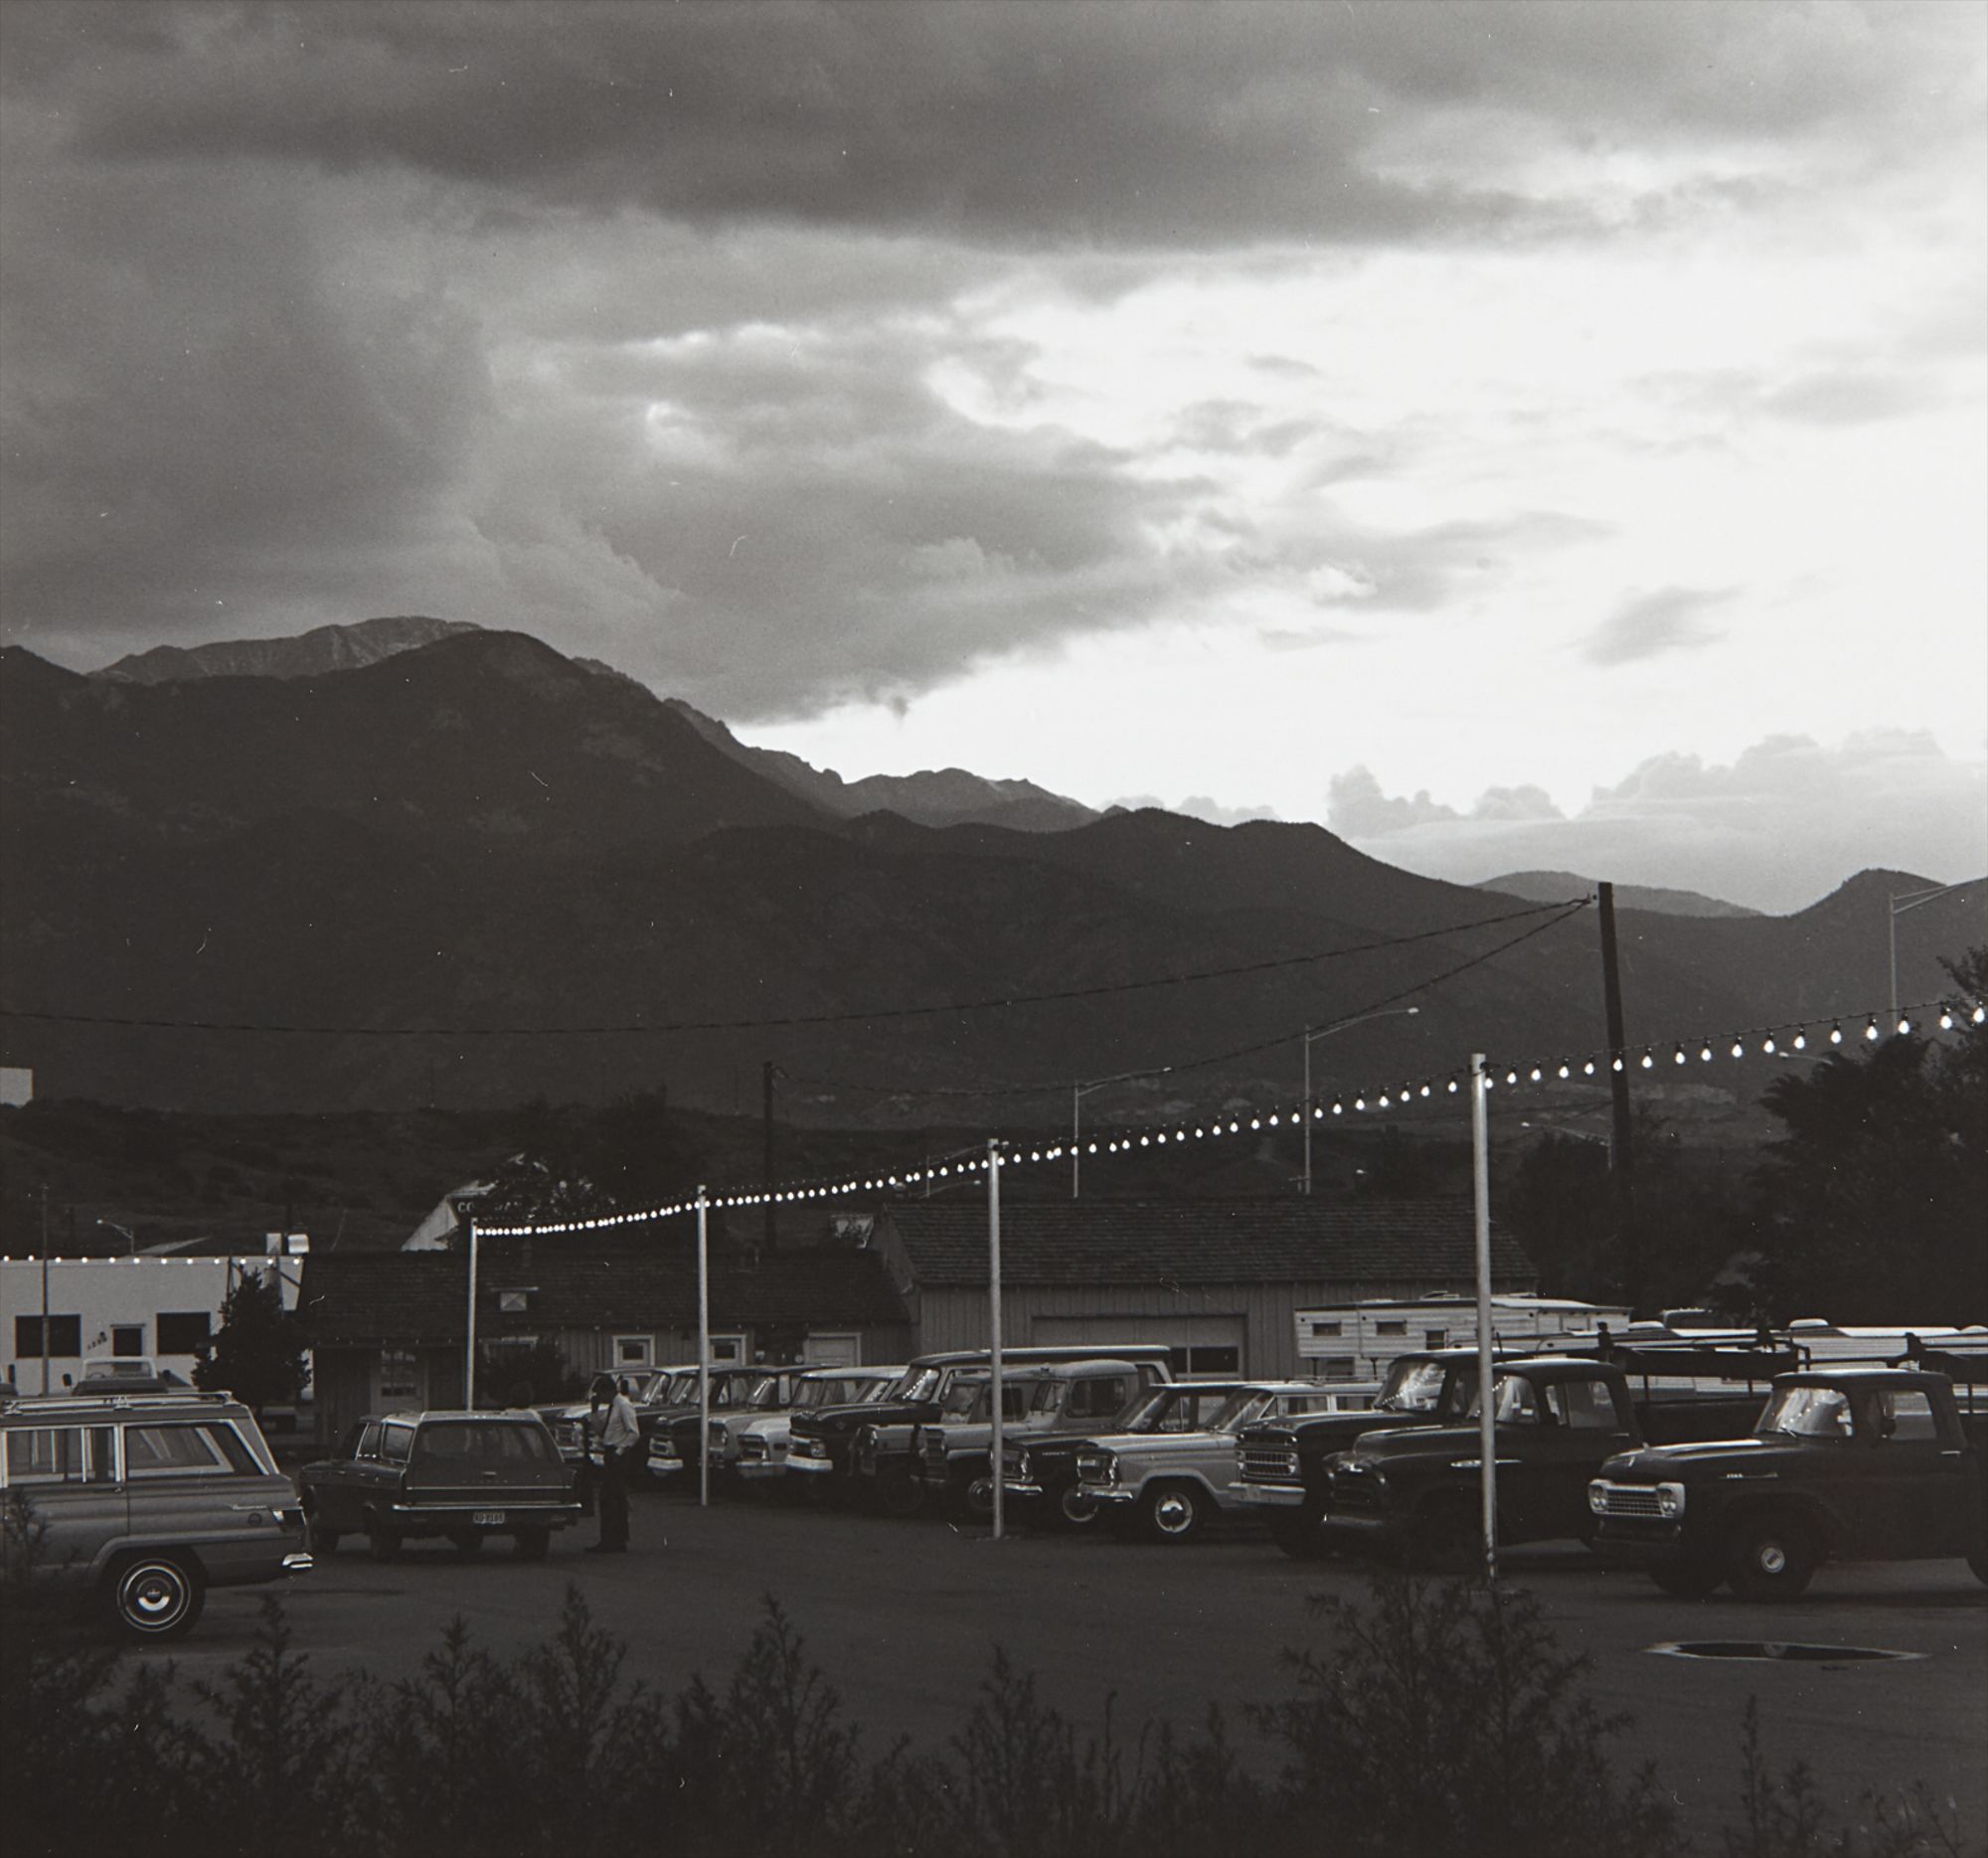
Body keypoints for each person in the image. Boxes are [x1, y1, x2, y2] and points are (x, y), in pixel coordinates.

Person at [587, 1374, 639, 1554]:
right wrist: (594, 1412)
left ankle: (614, 1539)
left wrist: (619, 1451)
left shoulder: (624, 1405)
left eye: (600, 1394)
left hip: (619, 1453)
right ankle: (612, 1538)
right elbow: (602, 1432)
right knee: (610, 1497)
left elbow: (634, 1433)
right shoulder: (612, 1407)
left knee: (613, 1496)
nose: (599, 1398)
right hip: (610, 1452)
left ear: (607, 1391)